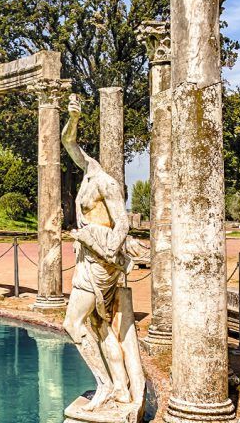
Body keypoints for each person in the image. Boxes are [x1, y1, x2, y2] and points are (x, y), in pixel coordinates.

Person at [60, 96, 143, 415]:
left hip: (99, 263)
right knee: (98, 325)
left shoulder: (106, 183)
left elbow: (121, 220)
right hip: (88, 258)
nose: (78, 155)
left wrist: (108, 248)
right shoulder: (89, 170)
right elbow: (68, 141)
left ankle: (105, 384)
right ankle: (121, 387)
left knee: (73, 322)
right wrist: (74, 118)